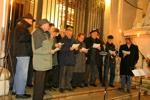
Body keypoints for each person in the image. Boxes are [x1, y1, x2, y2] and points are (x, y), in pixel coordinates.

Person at [32, 19, 61, 100]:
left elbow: (47, 46)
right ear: (44, 24)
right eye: (48, 25)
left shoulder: (44, 33)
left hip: (43, 62)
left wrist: (51, 38)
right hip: (40, 62)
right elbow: (37, 50)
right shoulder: (37, 33)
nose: (49, 27)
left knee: (41, 85)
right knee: (39, 85)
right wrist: (50, 51)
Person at [13, 13, 35, 99]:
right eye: (30, 20)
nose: (31, 22)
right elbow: (22, 38)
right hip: (23, 53)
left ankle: (16, 90)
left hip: (21, 53)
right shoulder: (22, 27)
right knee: (22, 74)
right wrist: (30, 35)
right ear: (26, 19)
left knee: (19, 73)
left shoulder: (20, 26)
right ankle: (20, 93)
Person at [59, 26, 77, 93]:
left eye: (71, 31)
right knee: (63, 74)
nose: (70, 32)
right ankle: (61, 87)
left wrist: (76, 49)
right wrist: (68, 49)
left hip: (71, 60)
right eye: (69, 31)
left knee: (69, 75)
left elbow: (76, 52)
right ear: (66, 32)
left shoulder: (74, 40)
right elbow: (60, 49)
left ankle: (68, 86)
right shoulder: (62, 39)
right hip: (64, 59)